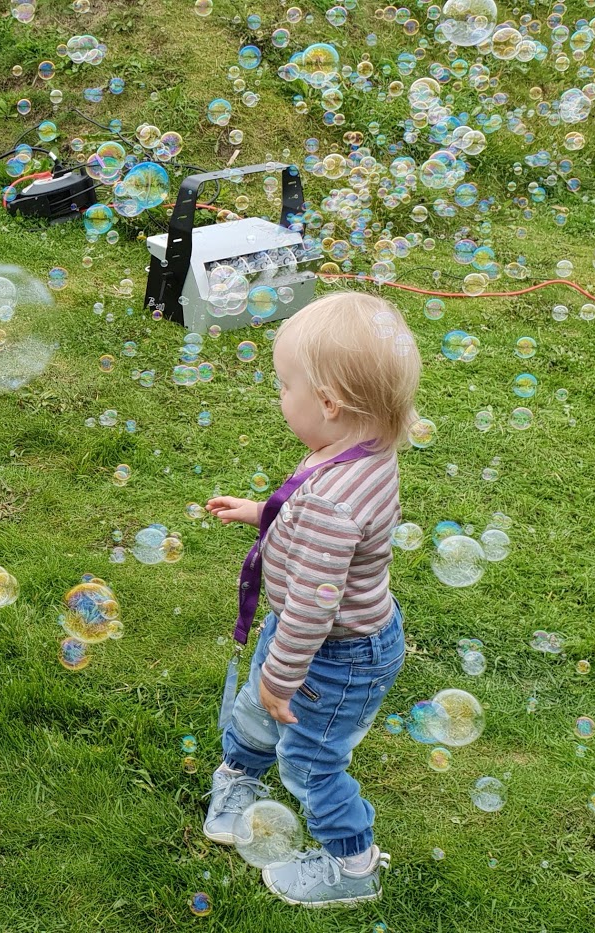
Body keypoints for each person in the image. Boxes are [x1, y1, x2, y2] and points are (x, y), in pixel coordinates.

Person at [201, 292, 422, 907]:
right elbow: (315, 526)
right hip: (322, 638)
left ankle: (351, 869)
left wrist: (281, 676)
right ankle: (239, 776)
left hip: (331, 652)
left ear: (327, 402)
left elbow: (310, 608)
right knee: (255, 710)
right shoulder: (360, 448)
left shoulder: (334, 499)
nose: (280, 396)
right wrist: (263, 514)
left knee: (309, 761)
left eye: (284, 385)